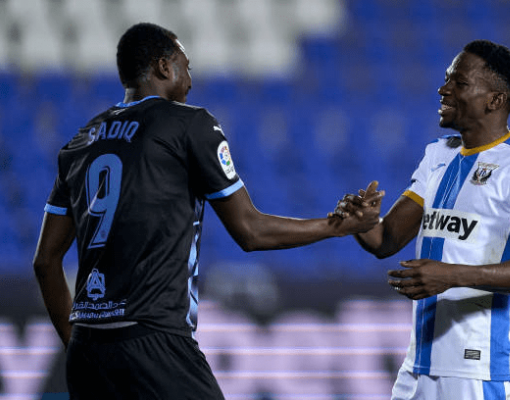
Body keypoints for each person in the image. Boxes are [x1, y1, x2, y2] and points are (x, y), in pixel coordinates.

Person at [32, 22, 383, 400]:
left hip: (88, 350)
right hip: (155, 339)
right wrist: (336, 226)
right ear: (164, 67)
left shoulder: (81, 141)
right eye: (186, 66)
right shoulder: (189, 124)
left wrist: (76, 342)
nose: (191, 80)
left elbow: (45, 261)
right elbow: (250, 231)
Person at [333, 40, 510, 400]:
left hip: (479, 366)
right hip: (419, 363)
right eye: (446, 80)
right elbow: (385, 240)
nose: (443, 90)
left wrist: (452, 275)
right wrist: (361, 222)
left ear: (494, 100)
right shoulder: (438, 155)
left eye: (459, 83)